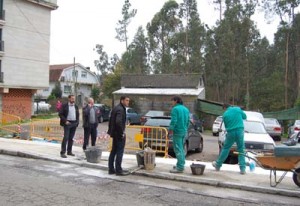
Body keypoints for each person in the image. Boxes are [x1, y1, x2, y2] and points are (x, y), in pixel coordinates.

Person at [212, 103, 247, 174]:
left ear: (225, 108)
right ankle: (242, 169)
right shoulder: (237, 109)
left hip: (230, 132)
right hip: (240, 131)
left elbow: (227, 125)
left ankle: (218, 165)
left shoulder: (225, 115)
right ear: (230, 106)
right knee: (241, 150)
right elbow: (245, 117)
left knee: (226, 148)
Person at [107, 96, 130, 176]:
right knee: (119, 152)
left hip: (114, 133)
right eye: (126, 100)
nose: (128, 102)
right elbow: (118, 122)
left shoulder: (116, 108)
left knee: (113, 151)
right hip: (118, 134)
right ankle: (118, 170)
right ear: (122, 100)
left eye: (128, 101)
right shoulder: (120, 109)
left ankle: (111, 169)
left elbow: (111, 121)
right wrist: (122, 133)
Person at [168, 96, 190, 173]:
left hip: (177, 131)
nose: (172, 103)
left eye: (172, 101)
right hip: (184, 131)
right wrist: (185, 129)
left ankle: (180, 167)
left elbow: (174, 120)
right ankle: (180, 164)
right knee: (181, 148)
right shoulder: (186, 109)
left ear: (176, 101)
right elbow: (188, 121)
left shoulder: (175, 109)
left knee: (178, 149)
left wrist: (170, 129)